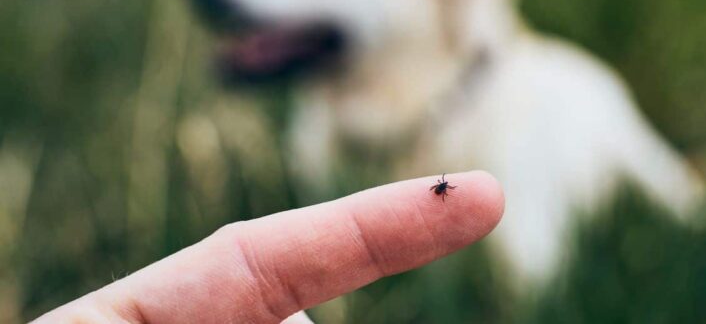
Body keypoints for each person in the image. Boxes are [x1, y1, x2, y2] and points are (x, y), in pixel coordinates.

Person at [33, 171, 504, 323]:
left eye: (441, 187)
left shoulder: (440, 191)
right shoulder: (441, 191)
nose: (441, 188)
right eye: (441, 187)